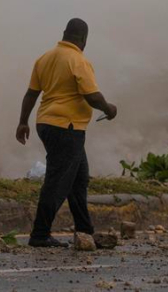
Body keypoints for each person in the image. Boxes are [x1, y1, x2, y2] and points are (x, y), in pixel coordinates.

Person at [16, 18, 117, 248]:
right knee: (57, 180)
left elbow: (31, 94)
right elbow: (93, 96)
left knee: (79, 179)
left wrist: (23, 122)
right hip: (67, 127)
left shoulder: (45, 58)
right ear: (84, 40)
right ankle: (40, 234)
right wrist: (109, 109)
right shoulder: (78, 60)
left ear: (64, 34)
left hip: (47, 123)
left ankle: (84, 232)